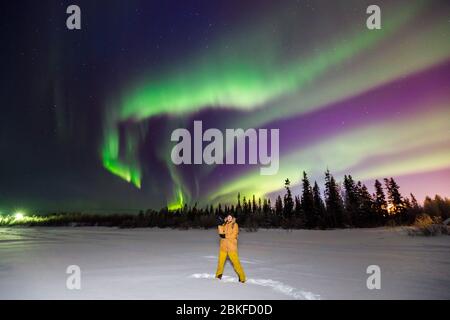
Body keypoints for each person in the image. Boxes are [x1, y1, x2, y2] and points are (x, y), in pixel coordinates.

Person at [215, 213, 246, 283]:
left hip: (232, 247)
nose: (229, 218)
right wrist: (220, 224)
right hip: (223, 247)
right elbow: (220, 233)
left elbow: (234, 235)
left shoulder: (235, 225)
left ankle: (242, 277)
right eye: (228, 217)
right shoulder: (224, 224)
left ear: (232, 218)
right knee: (220, 263)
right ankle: (218, 275)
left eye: (230, 217)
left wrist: (225, 236)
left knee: (236, 263)